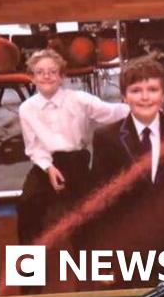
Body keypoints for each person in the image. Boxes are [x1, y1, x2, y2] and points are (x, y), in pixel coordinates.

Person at [87, 57, 164, 272]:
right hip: (130, 248)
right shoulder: (106, 137)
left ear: (163, 95)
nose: (144, 97)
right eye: (135, 90)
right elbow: (101, 200)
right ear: (124, 96)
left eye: (152, 89)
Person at [16, 48, 128, 245]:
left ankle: (87, 261)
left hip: (76, 162)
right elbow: (34, 147)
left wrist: (157, 112)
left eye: (52, 71)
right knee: (27, 203)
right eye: (40, 72)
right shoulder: (26, 109)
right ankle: (29, 261)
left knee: (87, 209)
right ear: (32, 78)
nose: (46, 76)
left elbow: (113, 112)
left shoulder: (80, 99)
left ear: (62, 77)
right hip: (45, 165)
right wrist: (48, 168)